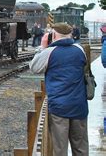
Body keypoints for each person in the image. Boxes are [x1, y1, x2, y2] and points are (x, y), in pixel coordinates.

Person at [30, 23, 88, 155]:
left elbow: (34, 67)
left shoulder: (50, 52)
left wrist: (42, 47)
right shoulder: (80, 49)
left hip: (59, 108)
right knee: (81, 147)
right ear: (70, 34)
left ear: (54, 35)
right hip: (79, 106)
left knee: (60, 149)